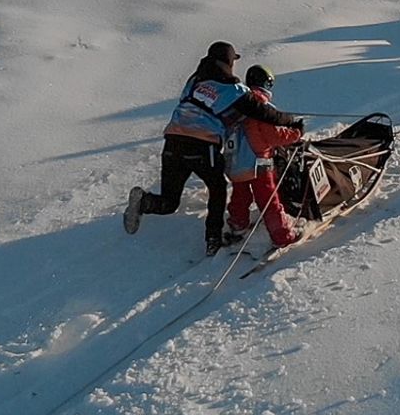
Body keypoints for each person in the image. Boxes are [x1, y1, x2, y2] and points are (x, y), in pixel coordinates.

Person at [123, 41, 303, 255]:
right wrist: (291, 121)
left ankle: (145, 201)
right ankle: (213, 239)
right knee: (217, 190)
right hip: (202, 145)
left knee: (170, 200)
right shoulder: (232, 89)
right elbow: (265, 114)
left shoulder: (194, 81)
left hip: (172, 141)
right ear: (228, 61)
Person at [225, 64, 305, 250]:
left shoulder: (238, 103)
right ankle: (282, 235)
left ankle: (238, 225)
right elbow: (273, 136)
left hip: (236, 159)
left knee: (240, 195)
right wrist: (296, 133)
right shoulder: (260, 105)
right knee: (269, 198)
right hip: (258, 160)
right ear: (266, 83)